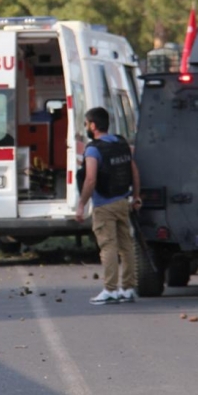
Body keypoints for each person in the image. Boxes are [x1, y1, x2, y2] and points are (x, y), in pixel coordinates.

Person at [75, 106, 142, 305]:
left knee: (108, 247)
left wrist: (81, 205)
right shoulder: (121, 143)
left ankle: (110, 290)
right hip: (123, 201)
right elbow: (134, 172)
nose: (86, 127)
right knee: (126, 246)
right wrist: (136, 196)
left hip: (104, 205)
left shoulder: (94, 149)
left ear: (93, 125)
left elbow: (90, 180)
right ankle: (128, 288)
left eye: (86, 123)